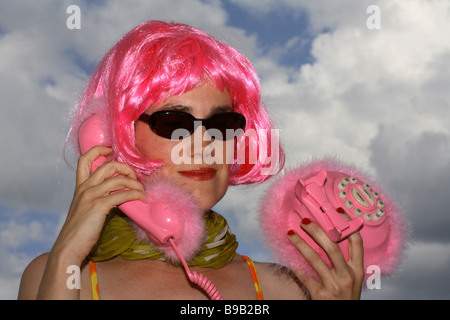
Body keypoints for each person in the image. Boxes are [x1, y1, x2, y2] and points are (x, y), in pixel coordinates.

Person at [18, 21, 364, 300]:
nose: (204, 144)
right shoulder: (61, 276)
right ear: (113, 137)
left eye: (221, 124)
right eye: (174, 123)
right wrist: (66, 255)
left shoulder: (292, 289)